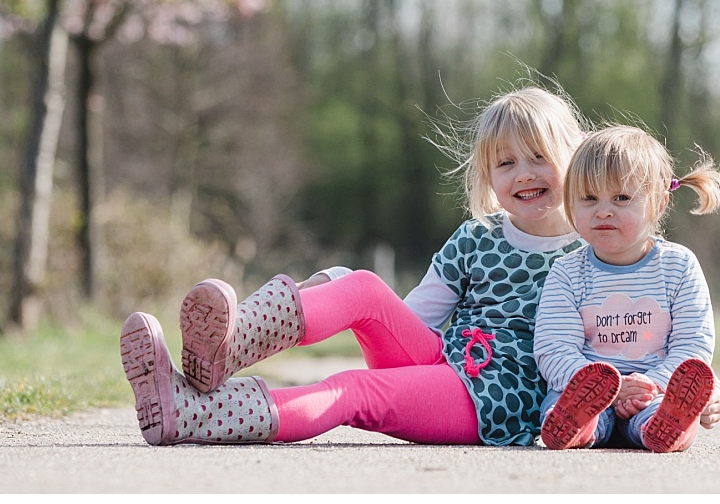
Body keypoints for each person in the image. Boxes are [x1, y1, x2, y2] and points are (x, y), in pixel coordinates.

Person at [119, 85, 593, 446]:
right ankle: (227, 348)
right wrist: (337, 289)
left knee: (352, 389)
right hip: (446, 363)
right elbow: (409, 318)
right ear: (487, 176)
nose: (524, 173)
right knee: (363, 286)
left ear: (575, 158)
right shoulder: (477, 238)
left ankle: (194, 414)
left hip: (498, 399)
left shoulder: (593, 252)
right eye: (506, 163)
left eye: (539, 157)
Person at [533, 124, 720, 453]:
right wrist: (610, 388)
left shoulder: (678, 267)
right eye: (589, 198)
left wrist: (649, 387)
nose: (603, 210)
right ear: (571, 204)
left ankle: (666, 428)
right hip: (587, 390)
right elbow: (554, 348)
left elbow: (692, 345)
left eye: (622, 198)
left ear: (659, 203)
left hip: (656, 393)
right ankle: (578, 428)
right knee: (568, 405)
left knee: (668, 410)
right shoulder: (567, 273)